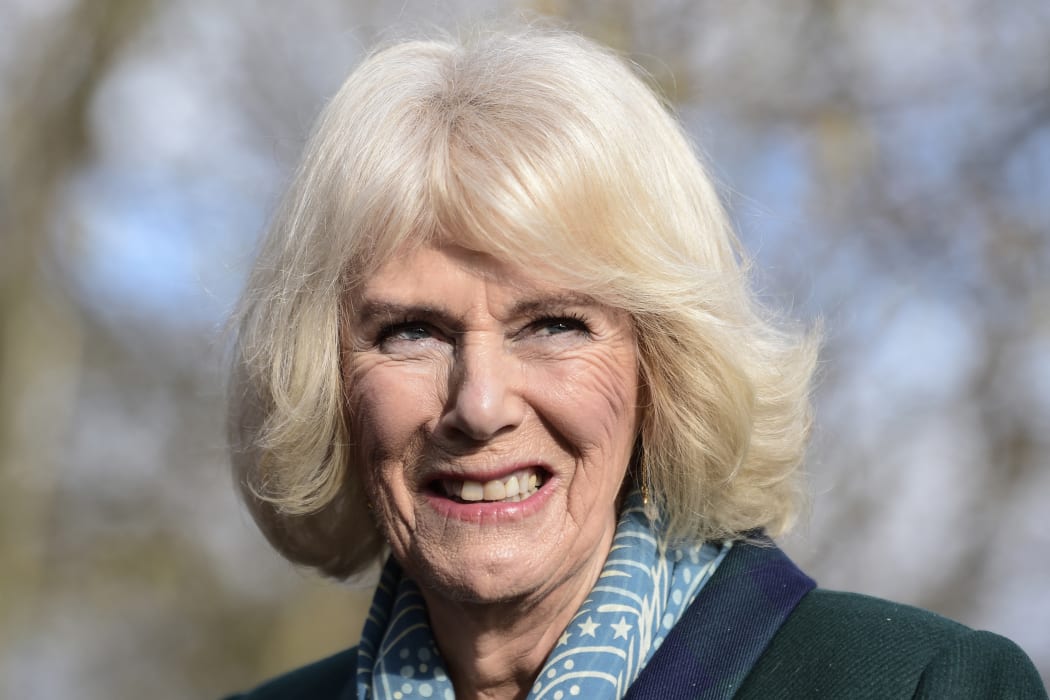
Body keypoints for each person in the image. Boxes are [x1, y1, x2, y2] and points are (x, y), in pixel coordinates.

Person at [224, 25, 1047, 700]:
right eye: (411, 332)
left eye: (552, 324)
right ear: (326, 378)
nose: (478, 405)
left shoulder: (917, 688)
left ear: (665, 366)